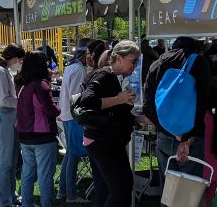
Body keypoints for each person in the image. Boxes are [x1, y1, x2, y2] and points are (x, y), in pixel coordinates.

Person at [144, 37, 212, 195]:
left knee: (167, 192)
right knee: (187, 194)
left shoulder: (156, 64)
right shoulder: (198, 63)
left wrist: (168, 129)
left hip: (164, 137)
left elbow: (148, 107)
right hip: (192, 140)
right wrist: (185, 138)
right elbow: (202, 104)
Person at [78, 41, 141, 207]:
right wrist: (118, 99)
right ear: (119, 58)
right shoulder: (105, 75)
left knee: (111, 188)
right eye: (133, 60)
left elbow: (114, 115)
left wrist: (138, 119)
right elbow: (87, 101)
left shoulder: (110, 76)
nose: (136, 65)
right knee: (121, 188)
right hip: (103, 141)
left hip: (102, 140)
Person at [14, 51, 61, 207]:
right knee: (45, 176)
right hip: (43, 136)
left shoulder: (20, 84)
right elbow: (50, 110)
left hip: (25, 135)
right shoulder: (40, 85)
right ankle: (47, 204)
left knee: (27, 174)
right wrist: (58, 107)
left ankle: (26, 203)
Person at [0, 44, 26, 207]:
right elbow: (4, 99)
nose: (20, 63)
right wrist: (22, 103)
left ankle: (11, 195)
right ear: (14, 58)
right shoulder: (1, 72)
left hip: (7, 116)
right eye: (20, 59)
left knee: (11, 159)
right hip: (3, 116)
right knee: (5, 161)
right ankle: (4, 201)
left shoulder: (5, 71)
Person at [56, 39, 92, 204]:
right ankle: (70, 193)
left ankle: (64, 190)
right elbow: (77, 98)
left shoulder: (72, 67)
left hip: (67, 115)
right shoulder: (79, 69)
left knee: (71, 155)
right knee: (74, 156)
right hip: (73, 117)